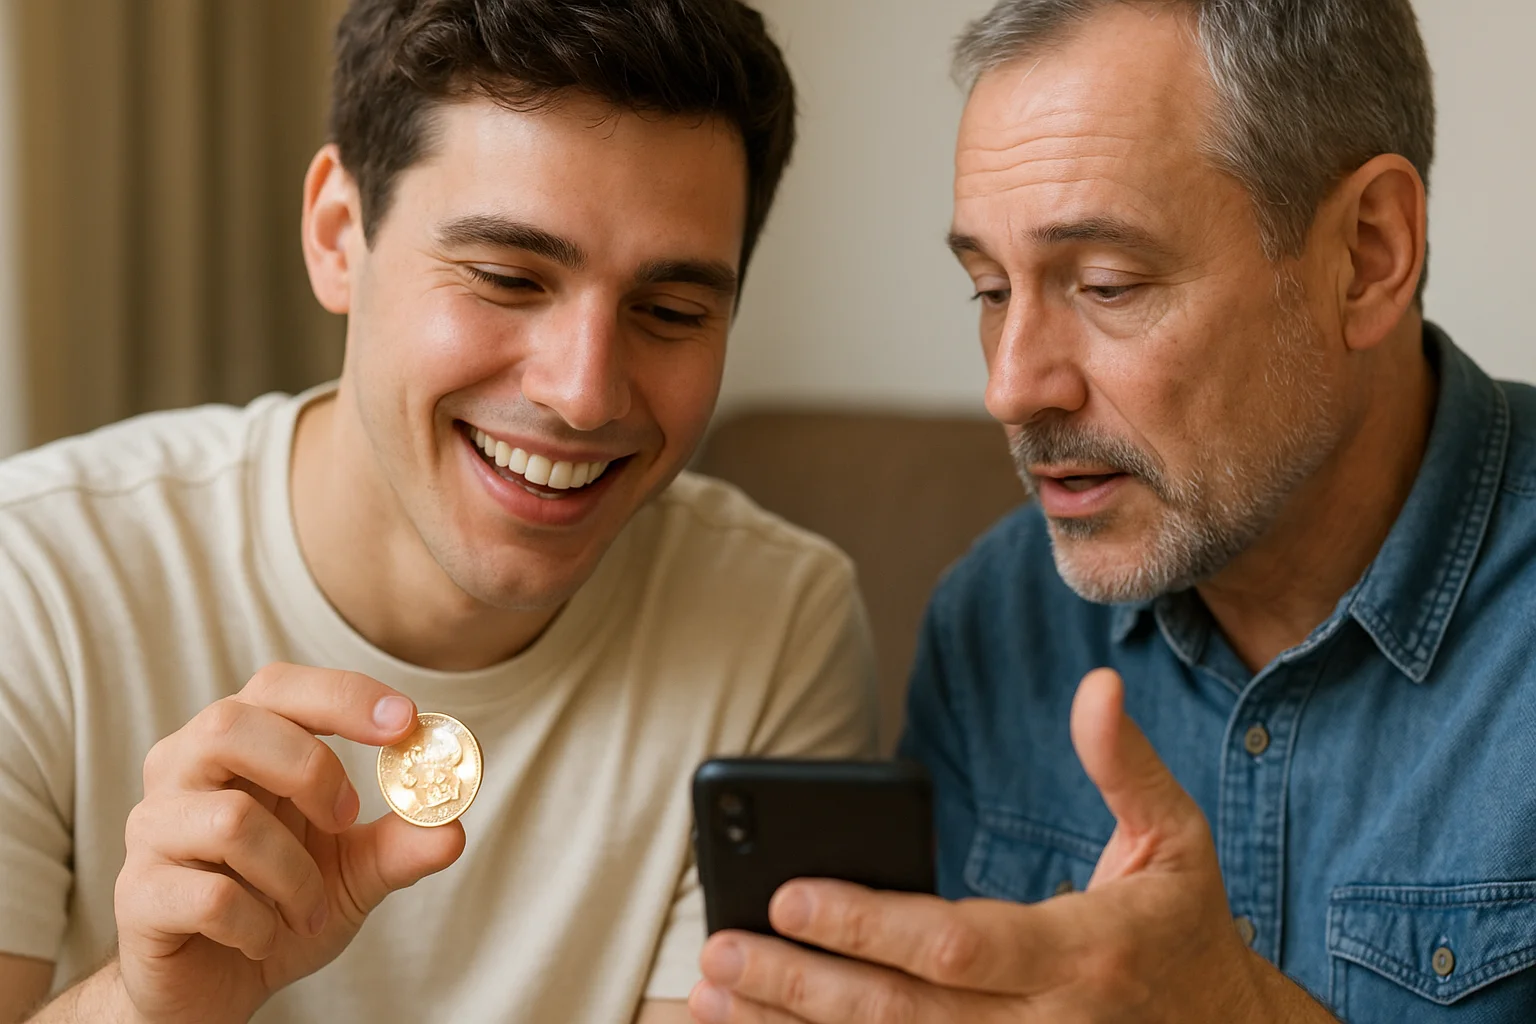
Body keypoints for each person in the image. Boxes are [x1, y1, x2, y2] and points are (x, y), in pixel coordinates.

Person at [0, 2, 878, 1022]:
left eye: (671, 312)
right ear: (339, 236)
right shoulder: (35, 580)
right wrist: (150, 1009)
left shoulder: (779, 624)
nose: (585, 393)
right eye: (507, 278)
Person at [690, 2, 1536, 1022]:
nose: (1011, 388)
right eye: (991, 291)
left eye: (1106, 284)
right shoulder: (996, 617)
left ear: (1366, 254)